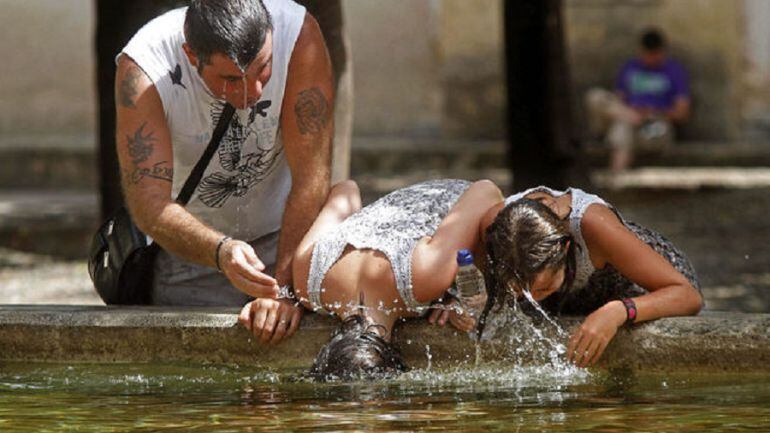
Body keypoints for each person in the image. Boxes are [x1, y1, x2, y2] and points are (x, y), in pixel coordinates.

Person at [114, 0, 333, 309]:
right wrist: (220, 251)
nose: (253, 92)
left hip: (286, 236)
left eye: (264, 67)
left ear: (272, 34)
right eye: (231, 79)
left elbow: (312, 178)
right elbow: (149, 204)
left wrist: (283, 290)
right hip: (191, 253)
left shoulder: (298, 35)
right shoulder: (144, 66)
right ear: (191, 56)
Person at [240, 179, 503, 380]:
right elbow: (346, 190)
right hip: (413, 213)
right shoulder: (308, 282)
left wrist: (460, 291)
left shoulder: (423, 280)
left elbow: (486, 191)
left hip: (459, 200)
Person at [475, 186, 703, 368]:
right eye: (521, 291)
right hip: (575, 299)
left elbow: (688, 295)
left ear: (564, 250)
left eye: (542, 289)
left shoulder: (594, 225)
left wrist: (618, 311)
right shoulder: (497, 231)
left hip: (645, 286)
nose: (531, 299)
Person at [585, 28, 690, 172]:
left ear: (662, 52)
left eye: (655, 54)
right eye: (648, 54)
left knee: (623, 128)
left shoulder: (674, 71)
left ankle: (616, 175)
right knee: (597, 97)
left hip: (655, 124)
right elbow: (617, 101)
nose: (651, 58)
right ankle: (617, 177)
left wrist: (653, 112)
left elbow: (682, 113)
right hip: (627, 118)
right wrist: (633, 113)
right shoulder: (630, 68)